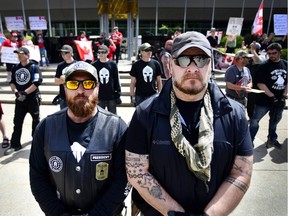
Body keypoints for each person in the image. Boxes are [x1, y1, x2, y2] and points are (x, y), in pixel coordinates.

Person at [125, 31, 253, 215]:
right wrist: (175, 213)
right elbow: (137, 172)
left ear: (211, 65)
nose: (192, 68)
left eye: (201, 59)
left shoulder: (234, 114)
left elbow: (241, 173)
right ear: (170, 65)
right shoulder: (145, 113)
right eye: (184, 60)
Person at [29, 61, 129, 215]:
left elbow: (124, 180)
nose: (80, 90)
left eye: (88, 84)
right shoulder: (46, 128)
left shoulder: (117, 128)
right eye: (73, 84)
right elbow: (37, 178)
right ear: (64, 88)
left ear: (98, 87)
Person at [4, 47, 42, 155]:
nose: (19, 56)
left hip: (32, 99)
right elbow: (12, 82)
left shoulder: (34, 67)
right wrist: (16, 92)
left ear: (27, 55)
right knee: (17, 121)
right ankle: (15, 144)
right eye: (18, 54)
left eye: (21, 54)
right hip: (20, 100)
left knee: (36, 120)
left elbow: (37, 82)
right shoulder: (15, 68)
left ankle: (36, 141)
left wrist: (25, 92)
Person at [249, 43, 287, 148]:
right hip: (263, 100)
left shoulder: (285, 64)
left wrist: (284, 95)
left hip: (279, 100)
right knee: (254, 121)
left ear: (280, 52)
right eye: (269, 53)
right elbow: (260, 83)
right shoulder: (263, 66)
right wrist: (271, 96)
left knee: (275, 121)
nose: (271, 55)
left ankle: (272, 138)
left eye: (274, 53)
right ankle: (248, 140)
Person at [92, 45, 121, 114]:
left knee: (113, 116)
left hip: (111, 95)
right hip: (99, 95)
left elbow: (116, 79)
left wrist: (118, 93)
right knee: (99, 116)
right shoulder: (94, 65)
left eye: (103, 52)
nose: (101, 54)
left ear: (107, 53)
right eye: (99, 52)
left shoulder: (112, 64)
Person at [246, 41, 267, 119]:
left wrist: (253, 50)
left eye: (251, 48)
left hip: (259, 85)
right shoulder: (249, 58)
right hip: (250, 84)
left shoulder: (262, 57)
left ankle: (254, 118)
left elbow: (257, 60)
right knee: (250, 103)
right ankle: (251, 117)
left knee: (256, 103)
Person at [54, 45, 77, 109]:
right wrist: (63, 80)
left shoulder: (77, 65)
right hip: (63, 97)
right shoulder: (60, 65)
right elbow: (56, 81)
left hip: (75, 96)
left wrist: (66, 78)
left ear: (71, 53)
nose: (63, 55)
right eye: (62, 53)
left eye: (65, 53)